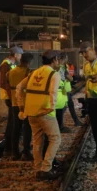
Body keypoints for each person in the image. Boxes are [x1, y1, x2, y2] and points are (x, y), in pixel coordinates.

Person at [16, 50, 62, 180]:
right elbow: (53, 93)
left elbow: (19, 88)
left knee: (37, 140)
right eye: (57, 59)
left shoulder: (33, 73)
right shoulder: (54, 74)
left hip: (31, 112)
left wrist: (21, 106)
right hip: (45, 112)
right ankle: (46, 168)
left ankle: (38, 168)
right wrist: (51, 107)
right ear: (54, 60)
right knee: (55, 139)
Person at [7, 52, 34, 161]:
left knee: (16, 128)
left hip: (14, 103)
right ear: (28, 62)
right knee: (27, 128)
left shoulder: (10, 72)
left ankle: (15, 152)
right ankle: (26, 152)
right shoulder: (28, 73)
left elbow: (7, 85)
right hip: (26, 103)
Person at [0, 46, 23, 157]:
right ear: (16, 55)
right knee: (12, 122)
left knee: (13, 121)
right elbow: (3, 83)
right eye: (20, 55)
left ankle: (9, 147)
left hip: (12, 96)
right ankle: (8, 148)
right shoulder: (6, 65)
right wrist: (12, 96)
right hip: (10, 97)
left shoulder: (11, 64)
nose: (21, 57)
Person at [56, 52, 73, 133]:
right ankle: (60, 127)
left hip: (61, 91)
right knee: (60, 110)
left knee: (59, 111)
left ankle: (58, 126)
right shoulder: (61, 68)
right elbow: (68, 78)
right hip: (61, 92)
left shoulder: (57, 67)